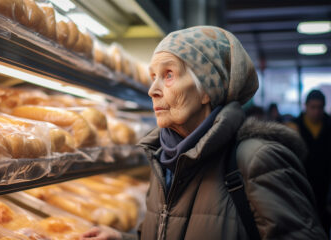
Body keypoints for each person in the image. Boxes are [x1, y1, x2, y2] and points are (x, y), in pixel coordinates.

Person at [80, 26, 327, 240]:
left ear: (207, 89)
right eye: (153, 76)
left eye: (168, 75)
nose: (152, 90)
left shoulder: (257, 160)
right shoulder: (164, 159)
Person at [288, 89, 331, 235]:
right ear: (305, 106)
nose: (316, 111)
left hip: (325, 182)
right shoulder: (294, 126)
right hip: (301, 180)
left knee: (323, 221)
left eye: (320, 107)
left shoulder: (329, 125)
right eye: (313, 107)